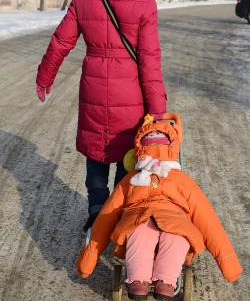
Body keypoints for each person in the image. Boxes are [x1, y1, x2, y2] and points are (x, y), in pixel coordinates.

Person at [35, 0, 167, 231]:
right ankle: (117, 211)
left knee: (96, 148)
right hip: (130, 95)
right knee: (126, 153)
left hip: (93, 87)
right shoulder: (144, 4)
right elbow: (150, 63)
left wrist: (45, 77)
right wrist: (157, 113)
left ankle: (96, 204)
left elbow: (60, 43)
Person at [76, 115, 243, 300]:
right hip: (139, 216)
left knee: (176, 236)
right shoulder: (131, 180)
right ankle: (139, 278)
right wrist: (89, 256)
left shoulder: (180, 181)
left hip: (173, 217)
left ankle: (165, 279)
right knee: (141, 232)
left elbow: (207, 220)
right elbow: (107, 216)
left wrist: (227, 261)